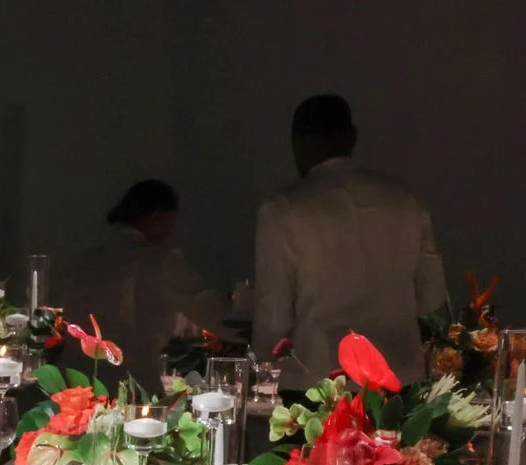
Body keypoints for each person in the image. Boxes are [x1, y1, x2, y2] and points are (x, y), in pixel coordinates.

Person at [252, 94, 446, 390]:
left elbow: (273, 320)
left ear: (298, 140)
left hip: (317, 380)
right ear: (352, 137)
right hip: (398, 376)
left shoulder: (283, 210)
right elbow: (431, 298)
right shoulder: (404, 200)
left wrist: (263, 355)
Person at [58, 179, 227, 385]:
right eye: (170, 222)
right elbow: (215, 314)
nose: (171, 233)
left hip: (74, 387)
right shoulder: (162, 261)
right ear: (157, 217)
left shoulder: (87, 260)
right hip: (132, 387)